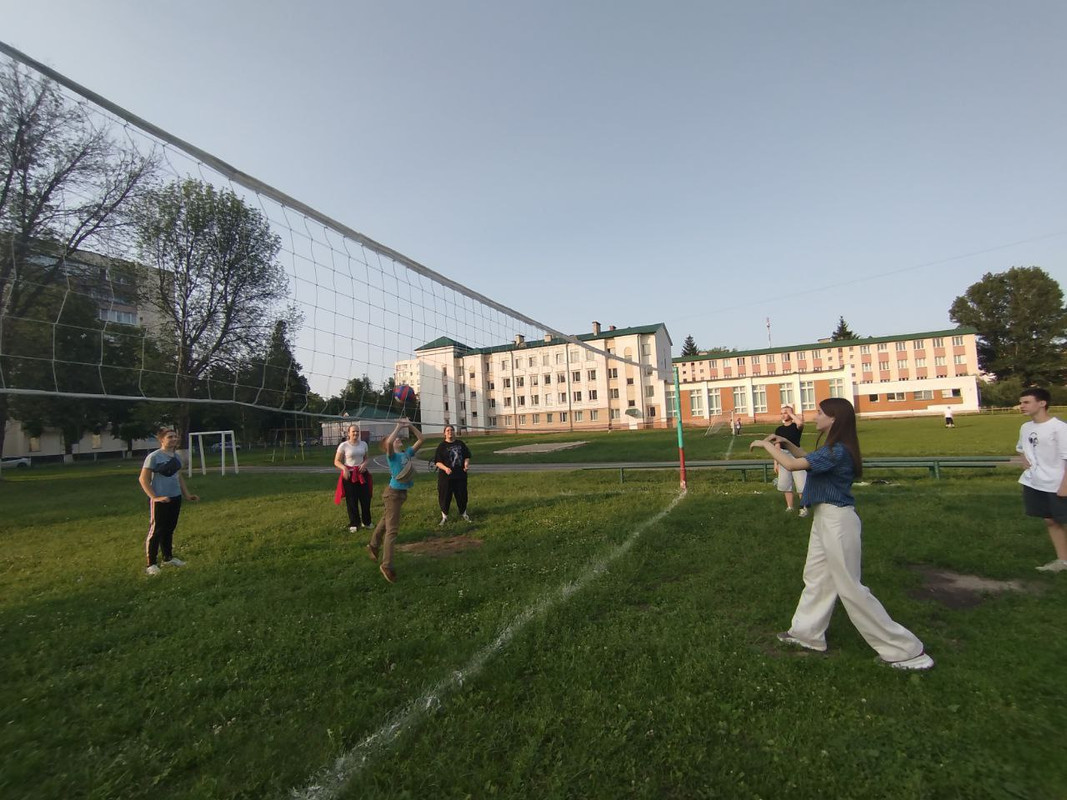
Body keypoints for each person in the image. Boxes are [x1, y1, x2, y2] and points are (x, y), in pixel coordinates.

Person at [749, 398, 934, 670]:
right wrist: (786, 443)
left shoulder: (837, 451)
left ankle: (906, 651)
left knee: (850, 588)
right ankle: (807, 634)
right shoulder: (833, 449)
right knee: (817, 577)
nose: (815, 416)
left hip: (838, 522)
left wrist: (765, 445)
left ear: (834, 418)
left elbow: (793, 466)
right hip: (824, 518)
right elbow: (805, 458)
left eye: (820, 412)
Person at [367, 417, 425, 583]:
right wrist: (398, 427)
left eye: (398, 437)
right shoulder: (391, 456)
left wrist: (410, 425)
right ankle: (387, 565)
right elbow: (390, 442)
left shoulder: (406, 454)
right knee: (392, 530)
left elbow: (421, 439)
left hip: (400, 494)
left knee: (386, 520)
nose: (398, 439)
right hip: (393, 494)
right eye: (394, 439)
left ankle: (373, 545)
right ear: (389, 445)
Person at [1015, 387, 1067, 573]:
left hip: (1058, 483)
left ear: (1042, 403)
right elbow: (1020, 447)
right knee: (1050, 521)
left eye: (1026, 402)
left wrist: (1064, 485)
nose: (1021, 406)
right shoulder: (1026, 427)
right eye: (1021, 402)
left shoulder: (1059, 428)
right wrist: (1024, 460)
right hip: (1036, 482)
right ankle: (1063, 561)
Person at [138, 427, 199, 576]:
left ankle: (168, 558)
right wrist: (155, 497)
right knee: (156, 530)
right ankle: (151, 564)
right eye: (170, 437)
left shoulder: (176, 457)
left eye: (175, 436)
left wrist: (187, 494)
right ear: (161, 440)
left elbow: (178, 476)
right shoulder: (154, 457)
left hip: (175, 497)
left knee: (169, 529)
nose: (174, 439)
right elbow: (143, 479)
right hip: (161, 500)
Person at [334, 423, 373, 531]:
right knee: (352, 500)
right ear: (349, 433)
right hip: (349, 475)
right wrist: (344, 468)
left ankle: (367, 522)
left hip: (362, 474)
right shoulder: (344, 445)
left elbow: (366, 458)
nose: (355, 433)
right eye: (353, 431)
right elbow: (336, 461)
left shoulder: (364, 444)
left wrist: (364, 464)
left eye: (357, 431)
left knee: (365, 499)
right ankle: (354, 523)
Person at [434, 424, 472, 525]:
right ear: (444, 433)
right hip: (446, 477)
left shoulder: (460, 444)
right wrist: (445, 468)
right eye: (448, 430)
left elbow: (467, 456)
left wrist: (466, 464)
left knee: (462, 495)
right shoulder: (442, 446)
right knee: (445, 496)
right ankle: (444, 516)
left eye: (451, 430)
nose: (450, 432)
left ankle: (464, 513)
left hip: (460, 475)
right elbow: (437, 462)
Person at [774, 405, 807, 516]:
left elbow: (800, 424)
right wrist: (776, 462)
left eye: (786, 412)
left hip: (796, 455)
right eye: (782, 413)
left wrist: (791, 413)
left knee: (801, 483)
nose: (783, 415)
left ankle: (803, 508)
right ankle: (790, 507)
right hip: (783, 456)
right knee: (785, 484)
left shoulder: (795, 426)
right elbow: (777, 446)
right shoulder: (779, 429)